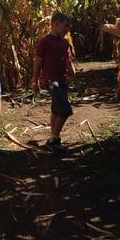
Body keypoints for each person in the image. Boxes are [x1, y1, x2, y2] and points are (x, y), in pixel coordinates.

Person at [32, 12, 80, 155]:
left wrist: (76, 81)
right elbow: (38, 62)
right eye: (66, 25)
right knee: (65, 110)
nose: (68, 29)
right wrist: (35, 81)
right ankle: (54, 139)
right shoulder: (45, 42)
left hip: (63, 81)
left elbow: (68, 63)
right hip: (52, 81)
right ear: (55, 24)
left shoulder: (65, 43)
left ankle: (52, 136)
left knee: (56, 109)